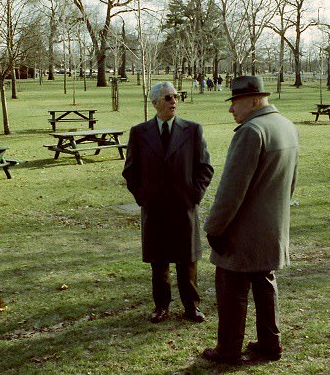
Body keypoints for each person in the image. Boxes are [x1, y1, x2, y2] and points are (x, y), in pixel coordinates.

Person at [201, 75, 299, 364]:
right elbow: (291, 182)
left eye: (235, 102)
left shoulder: (252, 130)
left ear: (255, 101)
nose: (231, 110)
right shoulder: (286, 126)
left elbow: (231, 189)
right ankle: (271, 343)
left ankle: (228, 350)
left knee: (232, 289)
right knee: (265, 284)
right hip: (272, 227)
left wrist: (214, 228)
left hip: (241, 232)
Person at [122, 81, 214, 324]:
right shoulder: (139, 132)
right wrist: (143, 197)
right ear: (154, 103)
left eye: (176, 96)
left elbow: (205, 167)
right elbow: (130, 171)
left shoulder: (193, 130)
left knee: (187, 259)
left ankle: (191, 307)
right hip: (154, 208)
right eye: (168, 98)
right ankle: (161, 306)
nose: (174, 101)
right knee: (158, 260)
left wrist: (194, 195)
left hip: (184, 205)